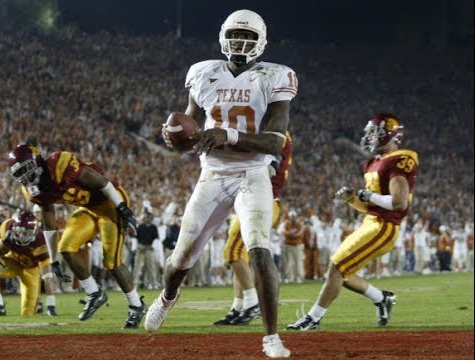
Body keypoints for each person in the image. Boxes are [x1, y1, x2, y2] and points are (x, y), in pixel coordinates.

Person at [144, 9, 297, 358]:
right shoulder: (203, 72)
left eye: (247, 37)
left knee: (259, 249)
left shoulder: (274, 76)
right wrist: (177, 136)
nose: (240, 43)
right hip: (212, 175)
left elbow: (274, 141)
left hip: (253, 173)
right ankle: (168, 298)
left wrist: (226, 134)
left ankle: (271, 337)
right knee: (181, 257)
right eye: (234, 36)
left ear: (261, 42)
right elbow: (193, 124)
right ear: (223, 38)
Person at [286, 113, 418, 330]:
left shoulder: (400, 159)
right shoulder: (373, 163)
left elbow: (399, 203)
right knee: (339, 270)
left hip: (385, 227)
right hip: (371, 221)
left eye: (375, 133)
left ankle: (314, 318)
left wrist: (370, 197)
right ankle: (380, 298)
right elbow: (370, 206)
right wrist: (352, 200)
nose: (370, 137)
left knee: (337, 268)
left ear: (389, 135)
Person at [7, 144, 145, 329]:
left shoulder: (59, 164)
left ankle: (136, 305)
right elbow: (49, 222)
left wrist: (123, 209)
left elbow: (103, 183)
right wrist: (53, 259)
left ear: (36, 161)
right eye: (20, 173)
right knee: (66, 247)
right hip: (88, 209)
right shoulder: (33, 191)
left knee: (111, 263)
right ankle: (94, 293)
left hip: (110, 204)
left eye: (26, 169)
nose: (25, 176)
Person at [212, 131, 292, 326]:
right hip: (251, 200)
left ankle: (251, 303)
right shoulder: (264, 130)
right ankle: (238, 307)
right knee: (239, 257)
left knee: (231, 252)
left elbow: (273, 163)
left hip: (262, 200)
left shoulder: (275, 135)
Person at [0, 211, 59, 316]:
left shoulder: (42, 241)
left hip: (31, 270)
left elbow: (47, 276)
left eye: (26, 232)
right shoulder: (8, 227)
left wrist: (51, 305)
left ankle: (38, 304)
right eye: (19, 231)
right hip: (12, 262)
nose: (21, 235)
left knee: (27, 313)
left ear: (34, 231)